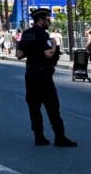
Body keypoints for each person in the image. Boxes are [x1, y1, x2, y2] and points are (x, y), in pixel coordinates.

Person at [16, 8, 76, 147]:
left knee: (34, 107)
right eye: (48, 20)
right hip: (43, 75)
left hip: (30, 75)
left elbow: (19, 54)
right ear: (41, 20)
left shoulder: (26, 34)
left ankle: (39, 136)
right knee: (52, 107)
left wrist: (31, 51)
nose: (49, 22)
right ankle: (60, 137)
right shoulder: (43, 34)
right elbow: (48, 54)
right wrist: (54, 45)